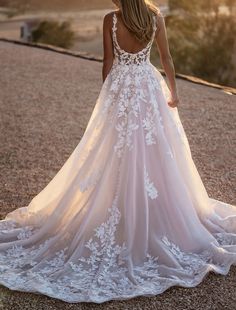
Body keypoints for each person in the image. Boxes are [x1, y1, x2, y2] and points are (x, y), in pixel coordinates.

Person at [0, 0, 235, 304]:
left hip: (122, 90)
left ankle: (125, 209)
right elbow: (165, 57)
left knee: (115, 153)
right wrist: (174, 92)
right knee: (155, 153)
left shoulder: (111, 20)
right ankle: (152, 214)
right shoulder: (154, 17)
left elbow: (108, 65)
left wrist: (108, 101)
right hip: (149, 89)